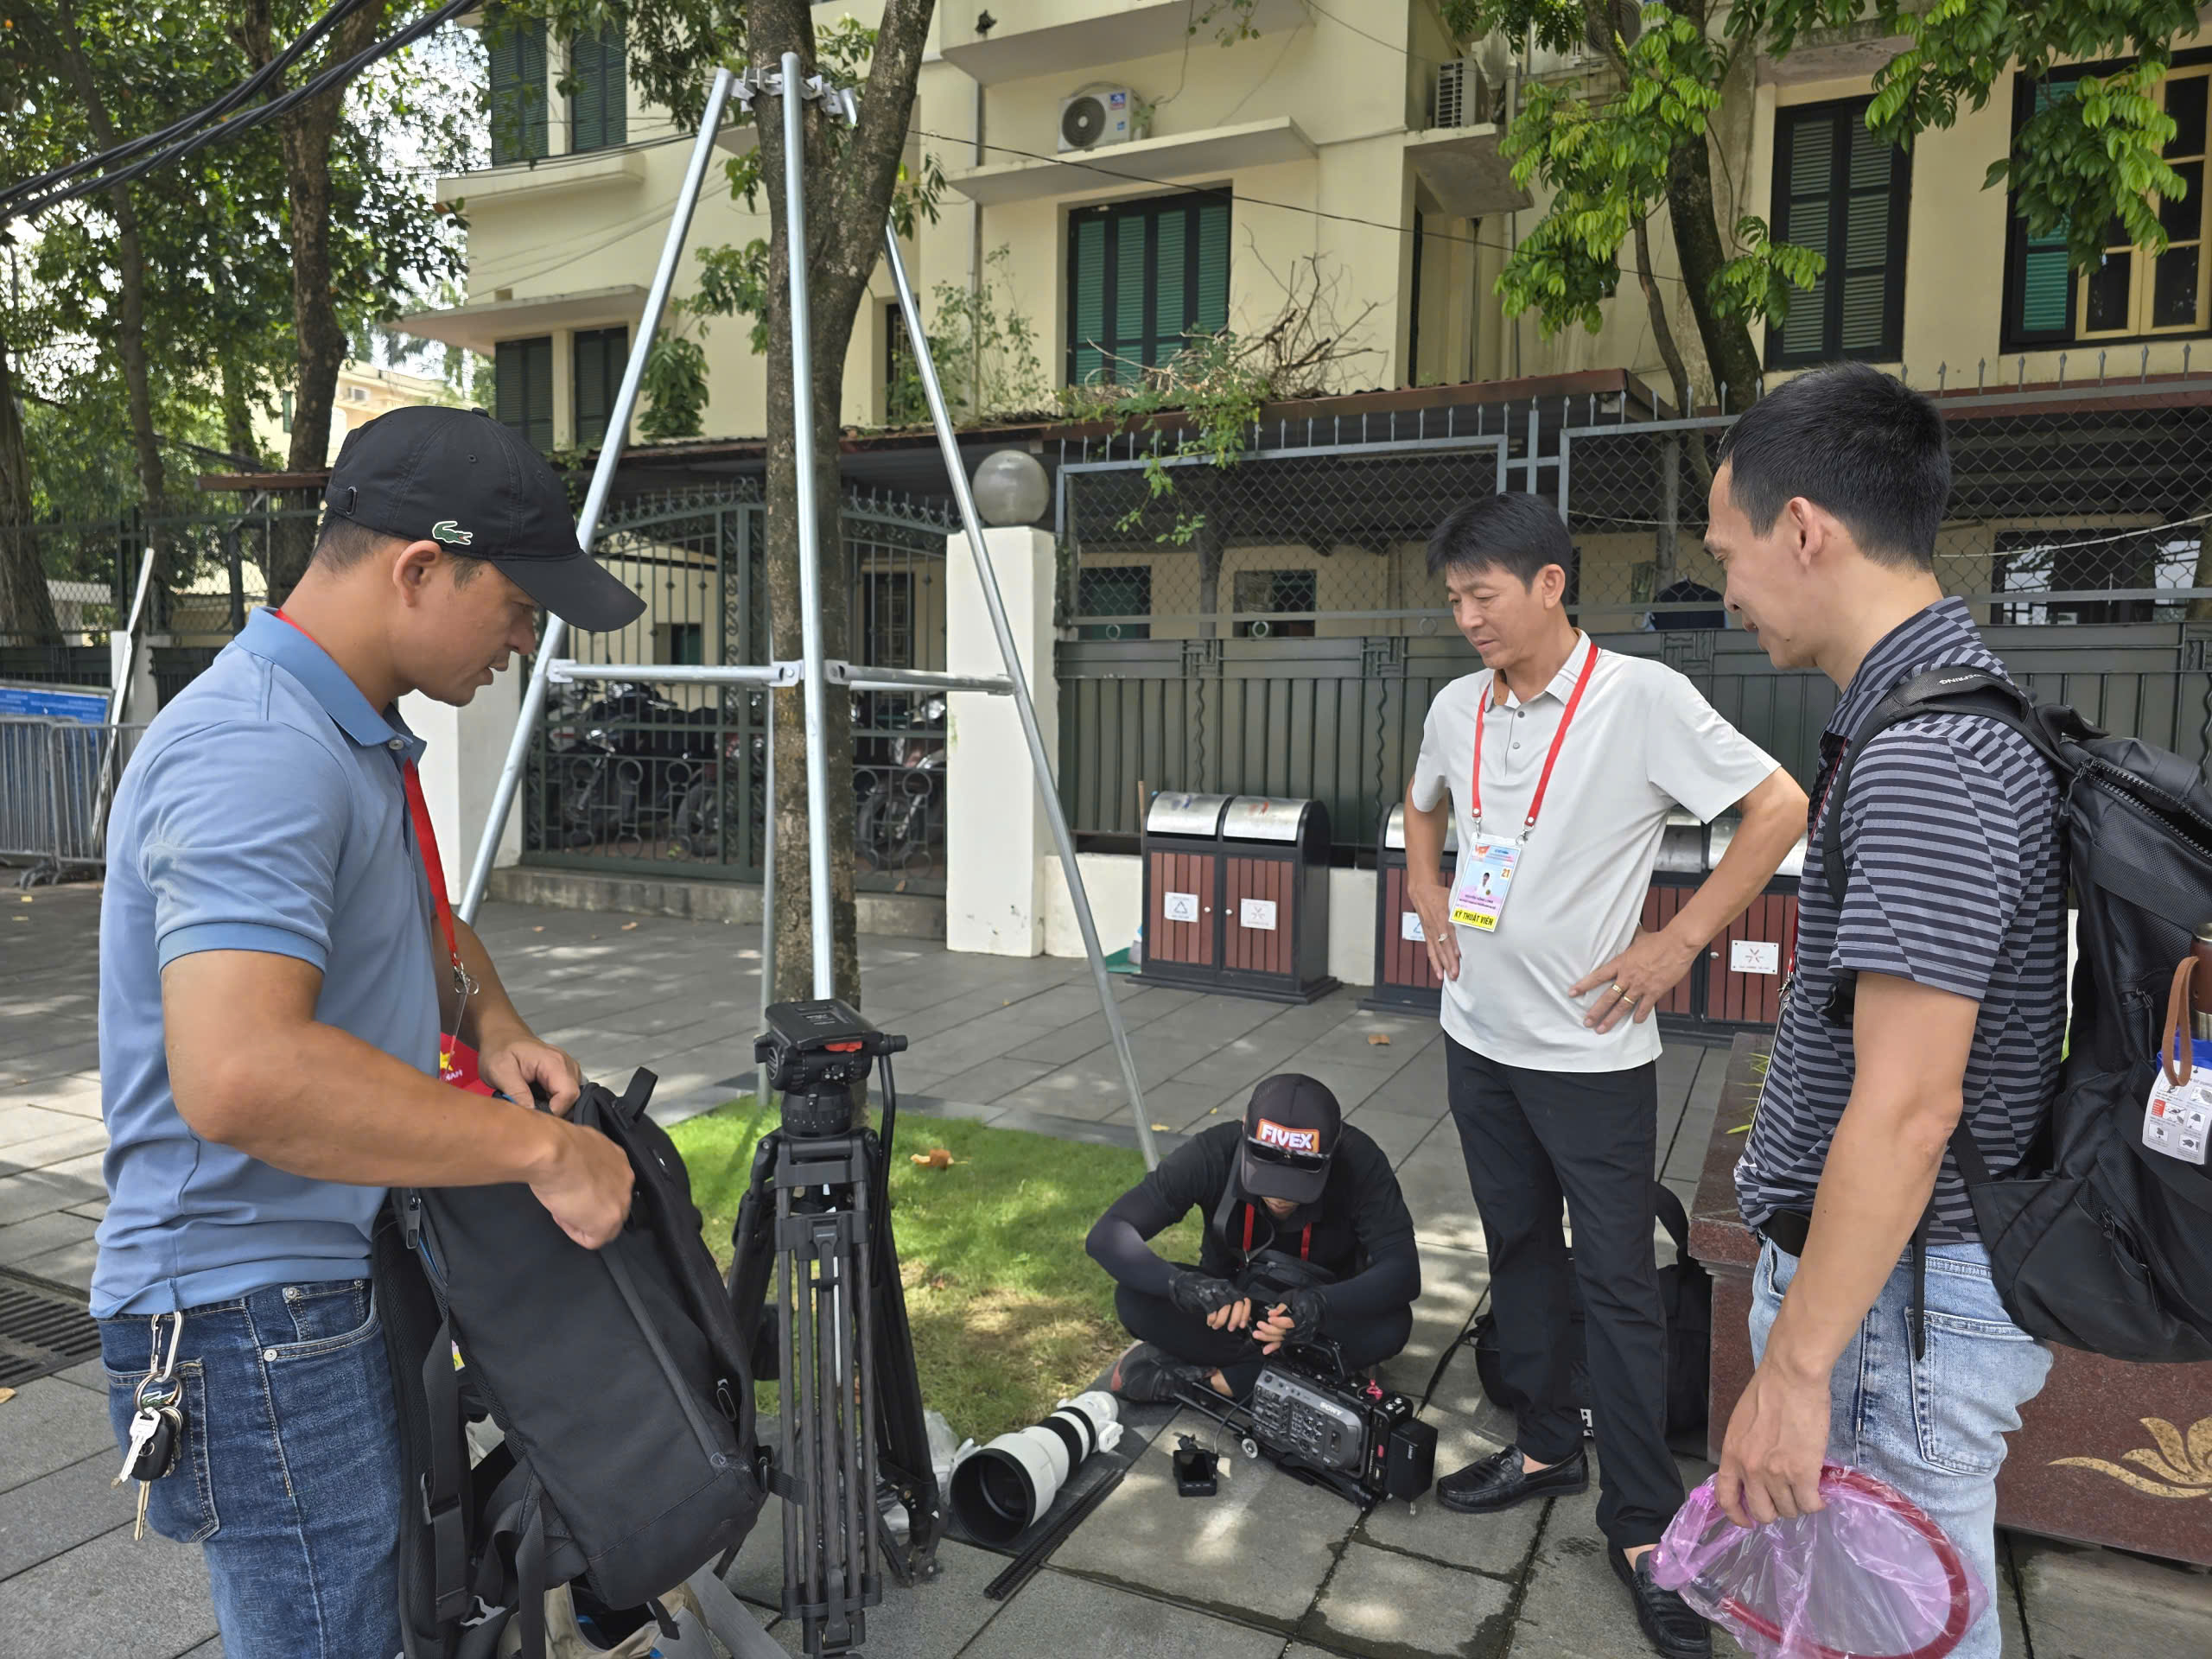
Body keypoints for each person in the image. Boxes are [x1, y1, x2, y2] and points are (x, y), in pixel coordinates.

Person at [92, 405, 648, 1659]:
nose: (526, 641)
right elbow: (243, 1073)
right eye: (518, 606)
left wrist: (491, 1020)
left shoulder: (341, 727)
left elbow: (415, 909)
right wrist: (544, 1152)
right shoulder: (257, 752)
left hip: (309, 1289)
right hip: (251, 1315)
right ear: (418, 569)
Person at [1402, 493, 1807, 1659]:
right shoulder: (1455, 707)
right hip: (1477, 1037)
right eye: (1454, 599)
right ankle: (1543, 1443)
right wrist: (1428, 888)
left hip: (1589, 1054)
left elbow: (1779, 806)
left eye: (1483, 595)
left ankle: (1641, 1526)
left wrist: (1679, 942)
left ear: (1549, 584)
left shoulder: (1641, 700)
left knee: (1620, 1283)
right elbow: (1420, 808)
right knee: (1519, 1248)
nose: (1467, 618)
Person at [1702, 363, 2061, 1659]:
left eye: (1727, 553)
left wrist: (1797, 1373)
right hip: (1890, 1304)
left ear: (1803, 529)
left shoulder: (1926, 758)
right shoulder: (1941, 718)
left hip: (1889, 1319)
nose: (1726, 590)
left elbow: (1910, 1107)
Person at [1087, 1073, 1418, 1403]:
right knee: (1134, 1297)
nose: (1280, 1196)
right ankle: (1285, 1377)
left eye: (1298, 1181)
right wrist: (1183, 1285)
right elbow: (1108, 1234)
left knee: (1393, 1325)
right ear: (1246, 1130)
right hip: (1233, 1310)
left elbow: (1403, 1270)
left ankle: (1217, 1383)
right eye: (1267, 1176)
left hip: (1316, 1318)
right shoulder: (1215, 1150)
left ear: (1333, 1150)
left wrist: (1320, 1305)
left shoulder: (1361, 1160)